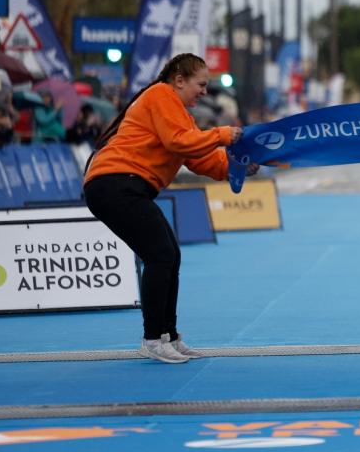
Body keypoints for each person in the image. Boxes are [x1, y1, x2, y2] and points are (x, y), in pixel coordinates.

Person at [83, 53, 256, 364]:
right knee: (160, 254)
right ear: (179, 80)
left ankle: (168, 336)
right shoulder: (161, 94)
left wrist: (237, 166)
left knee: (169, 254)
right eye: (201, 84)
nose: (205, 91)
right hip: (115, 184)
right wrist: (224, 134)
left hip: (125, 186)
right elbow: (180, 142)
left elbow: (198, 157)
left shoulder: (179, 112)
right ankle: (152, 339)